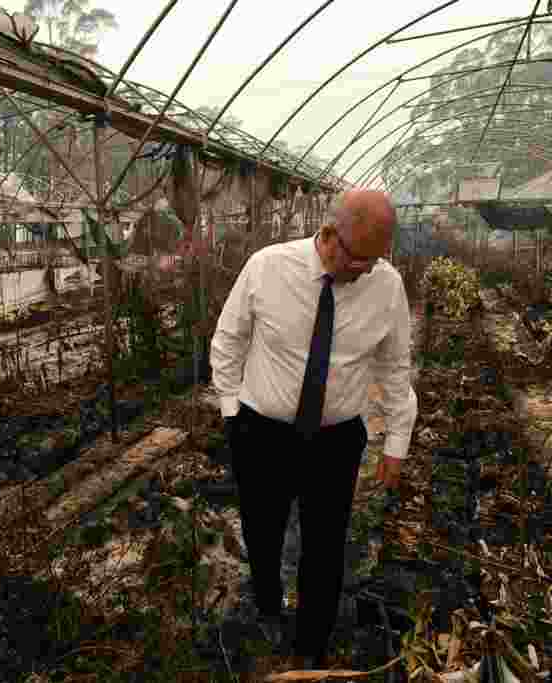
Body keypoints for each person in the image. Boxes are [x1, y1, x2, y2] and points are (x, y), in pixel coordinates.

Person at [209, 189, 418, 667]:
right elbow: (228, 340)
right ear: (327, 236)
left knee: (326, 548)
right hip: (262, 432)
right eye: (358, 258)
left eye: (376, 258)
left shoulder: (386, 287)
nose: (366, 269)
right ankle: (266, 600)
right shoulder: (267, 268)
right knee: (262, 528)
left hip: (336, 441)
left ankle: (311, 649)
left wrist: (397, 444)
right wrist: (230, 413)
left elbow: (395, 368)